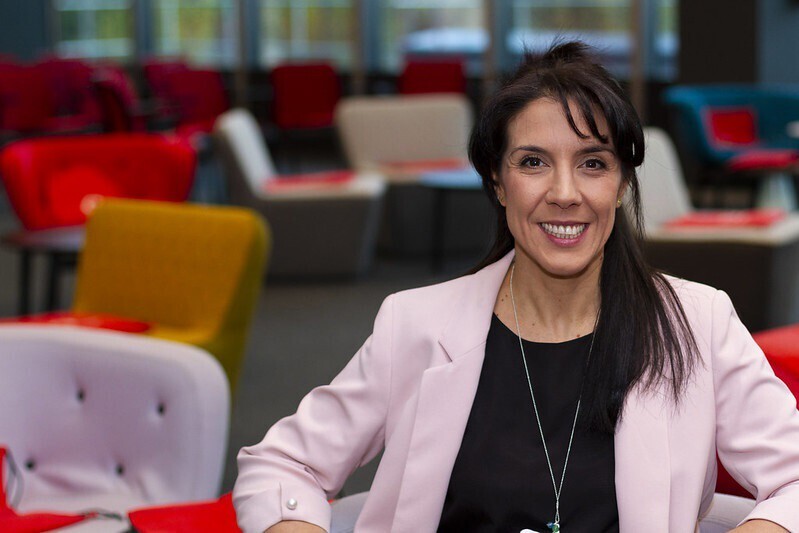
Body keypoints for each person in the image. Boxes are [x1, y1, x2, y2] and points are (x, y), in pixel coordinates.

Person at [233, 42, 799, 532]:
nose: (565, 193)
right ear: (499, 183)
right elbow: (280, 466)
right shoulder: (416, 324)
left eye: (593, 164)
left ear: (623, 183)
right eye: (533, 162)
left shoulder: (698, 322)